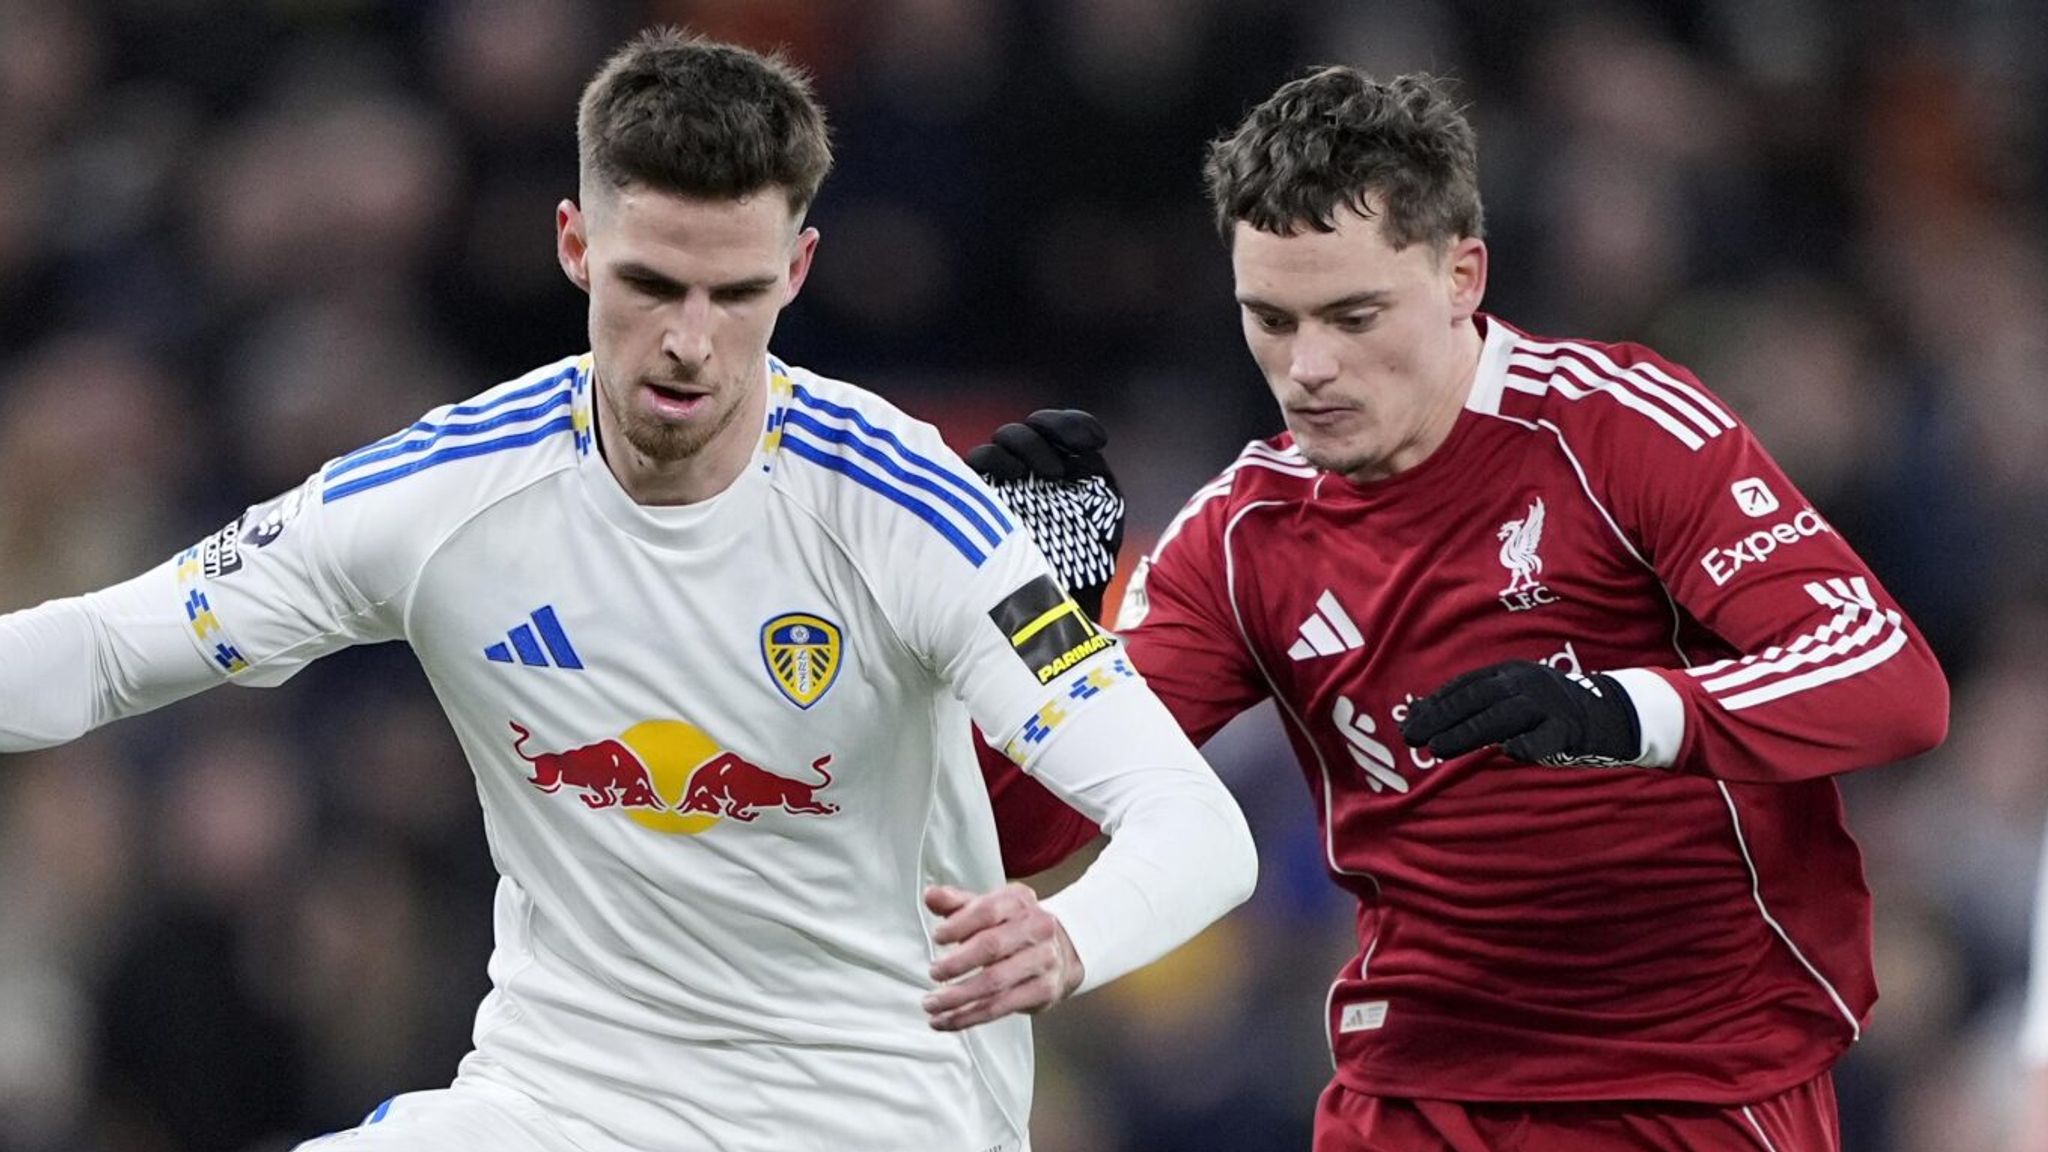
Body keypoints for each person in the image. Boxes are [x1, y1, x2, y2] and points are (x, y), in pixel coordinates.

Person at [0, 29, 1258, 1152]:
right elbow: (106, 650)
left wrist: (1069, 938)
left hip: (870, 1111)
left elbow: (1193, 826)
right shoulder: (449, 493)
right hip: (560, 1102)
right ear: (576, 244)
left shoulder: (902, 507)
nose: (689, 343)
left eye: (736, 293)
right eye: (650, 284)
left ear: (798, 270)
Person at [971, 67, 1949, 1151]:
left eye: (1354, 316)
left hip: (1684, 1075)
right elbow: (1024, 829)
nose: (1308, 367)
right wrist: (1036, 622)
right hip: (1414, 1085)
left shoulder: (1616, 432)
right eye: (1271, 319)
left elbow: (1891, 682)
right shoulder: (1240, 538)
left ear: (1460, 276)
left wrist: (1622, 713)